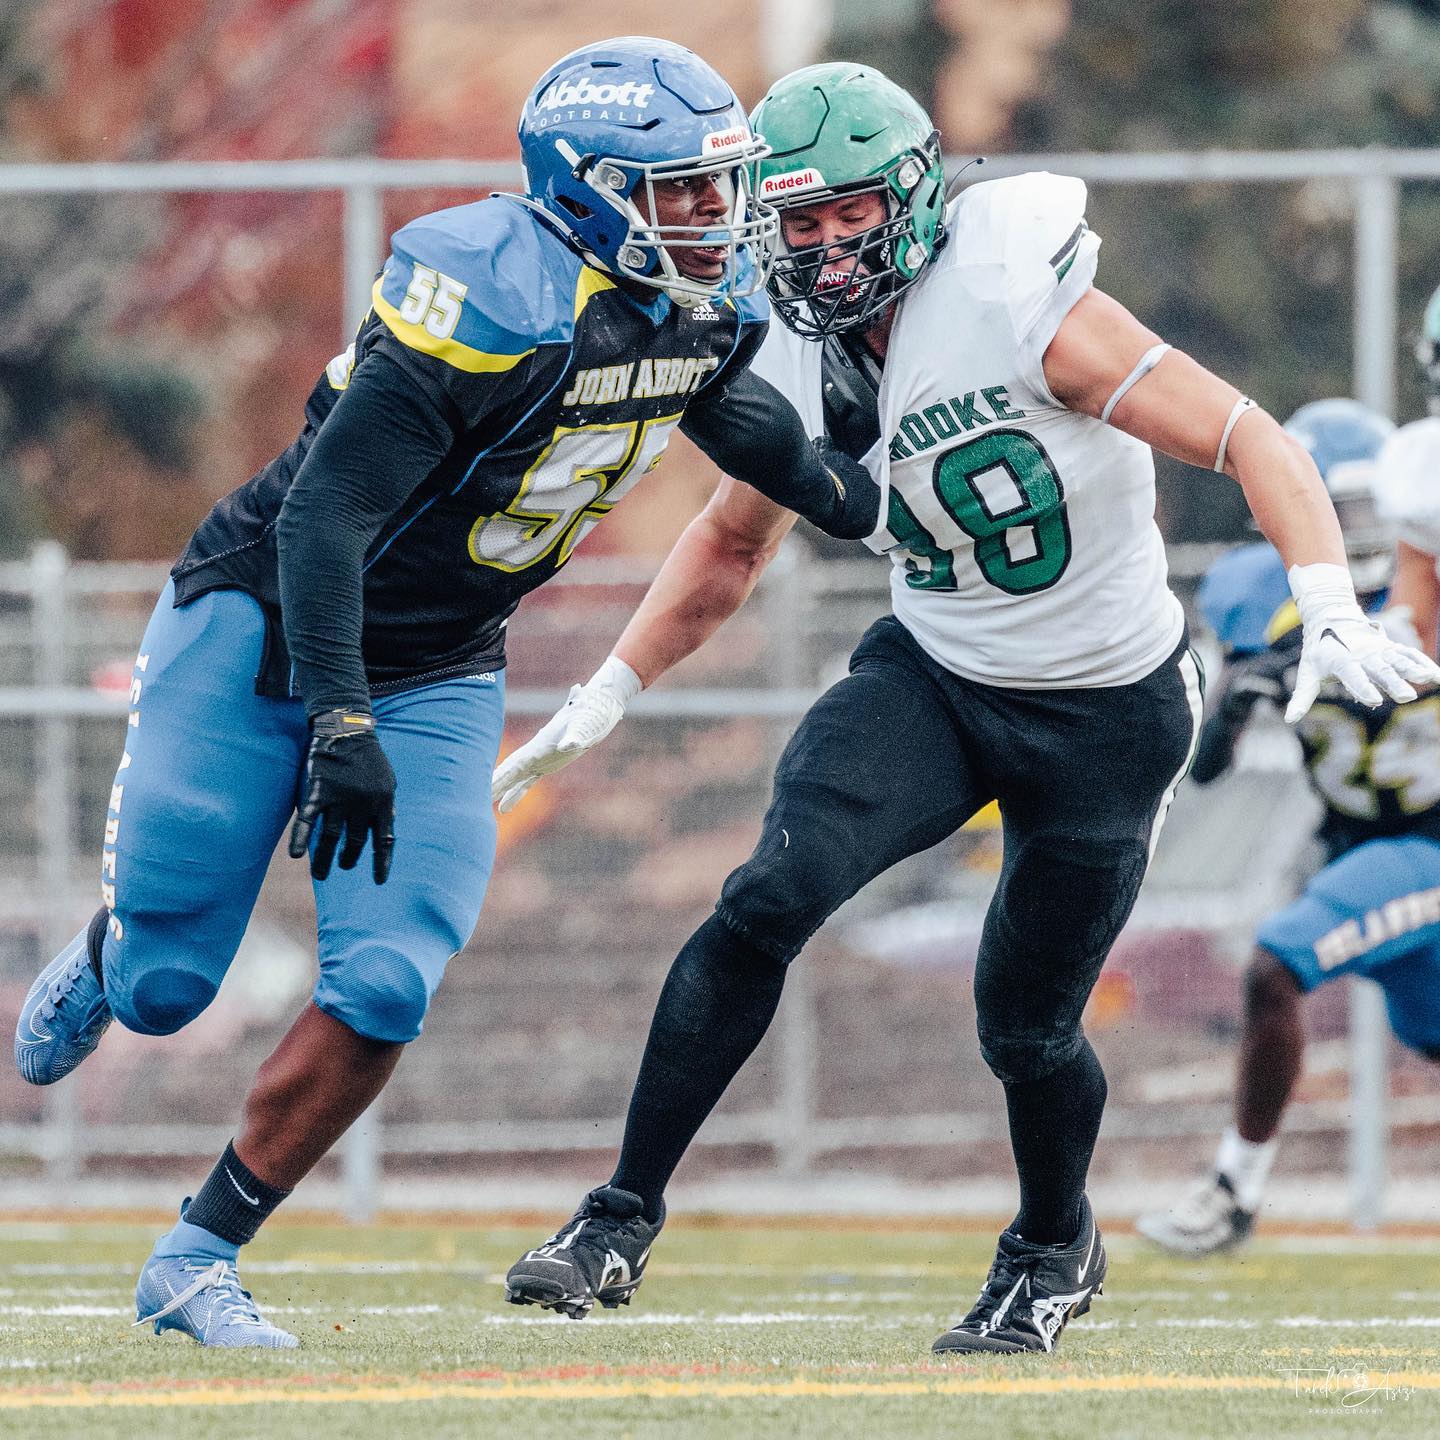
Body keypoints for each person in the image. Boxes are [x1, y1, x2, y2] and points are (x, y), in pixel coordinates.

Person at [492, 63, 1440, 1356]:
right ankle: (616, 1217)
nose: (826, 248)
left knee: (1026, 1023)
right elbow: (730, 543)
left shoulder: (1019, 299)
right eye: (802, 219)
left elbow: (1252, 441)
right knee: (767, 896)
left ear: (921, 198)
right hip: (938, 671)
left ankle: (1054, 1245)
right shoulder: (777, 338)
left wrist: (1328, 600)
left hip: (1109, 707)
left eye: (852, 214)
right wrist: (608, 688)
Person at [12, 37, 881, 1349]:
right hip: (262, 623)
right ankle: (113, 953)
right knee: (171, 991)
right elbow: (320, 525)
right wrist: (341, 716)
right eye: (684, 192)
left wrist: (850, 498)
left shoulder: (707, 301)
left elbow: (723, 407)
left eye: (721, 186)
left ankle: (198, 1256)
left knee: (388, 981)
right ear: (586, 192)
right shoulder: (490, 292)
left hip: (441, 655)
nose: (718, 217)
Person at [1136, 422, 1440, 1256]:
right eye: (1328, 510)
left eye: (1363, 508)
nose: (1352, 530)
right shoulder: (1254, 600)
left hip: (1427, 844)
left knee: (1277, 960)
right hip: (1357, 847)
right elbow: (1202, 770)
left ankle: (1234, 1189)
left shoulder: (1428, 585)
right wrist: (1238, 696)